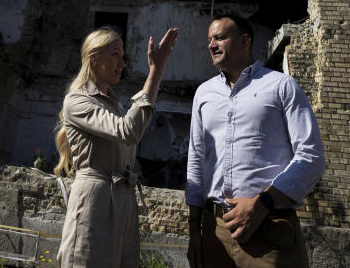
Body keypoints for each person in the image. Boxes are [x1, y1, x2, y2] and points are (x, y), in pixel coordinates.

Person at [186, 14, 325, 268]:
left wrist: (262, 203)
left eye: (220, 37)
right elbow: (196, 159)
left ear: (244, 41)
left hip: (269, 228)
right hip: (214, 232)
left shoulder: (281, 85)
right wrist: (194, 229)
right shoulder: (204, 93)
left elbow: (311, 157)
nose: (211, 45)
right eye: (209, 39)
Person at [54, 25, 179, 268]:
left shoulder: (115, 106)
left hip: (124, 199)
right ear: (94, 57)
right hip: (95, 199)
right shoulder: (77, 101)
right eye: (115, 54)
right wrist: (156, 70)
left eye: (123, 56)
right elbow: (128, 131)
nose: (122, 63)